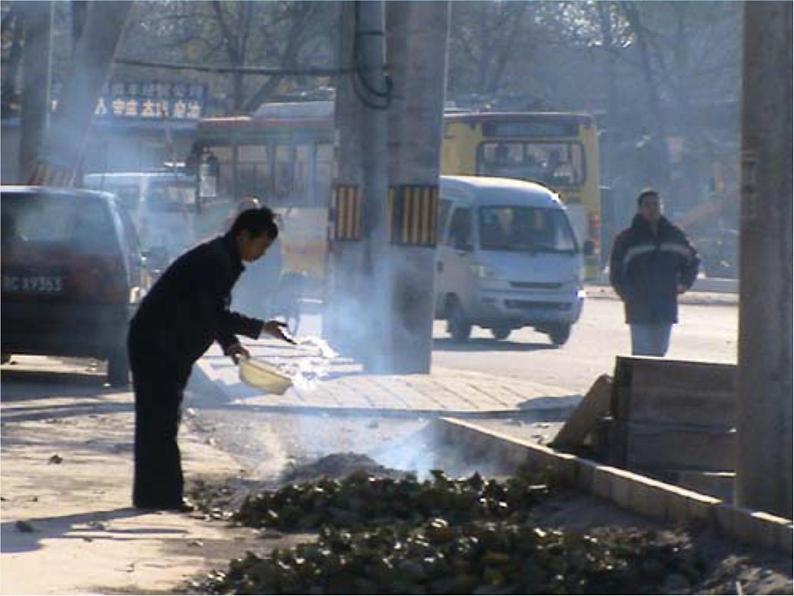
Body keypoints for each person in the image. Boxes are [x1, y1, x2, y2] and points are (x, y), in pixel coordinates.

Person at [127, 207, 293, 511]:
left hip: (165, 345)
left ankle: (151, 496)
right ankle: (162, 497)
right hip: (157, 344)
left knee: (160, 420)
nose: (263, 253)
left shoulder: (222, 258)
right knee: (159, 422)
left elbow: (208, 312)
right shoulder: (215, 262)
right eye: (262, 245)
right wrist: (254, 331)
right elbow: (211, 312)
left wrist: (233, 341)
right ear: (244, 235)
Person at [609, 188, 700, 357]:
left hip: (665, 307)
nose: (652, 209)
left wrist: (684, 283)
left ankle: (653, 385)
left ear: (662, 207)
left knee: (659, 356)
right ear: (639, 209)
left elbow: (692, 260)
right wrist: (629, 295)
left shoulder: (674, 235)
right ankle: (639, 385)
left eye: (656, 204)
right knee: (641, 356)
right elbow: (617, 272)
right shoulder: (628, 239)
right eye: (647, 205)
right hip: (639, 308)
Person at [225, 196, 284, 318]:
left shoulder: (269, 236)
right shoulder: (228, 238)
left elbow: (276, 262)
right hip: (242, 287)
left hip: (258, 287)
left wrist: (269, 285)